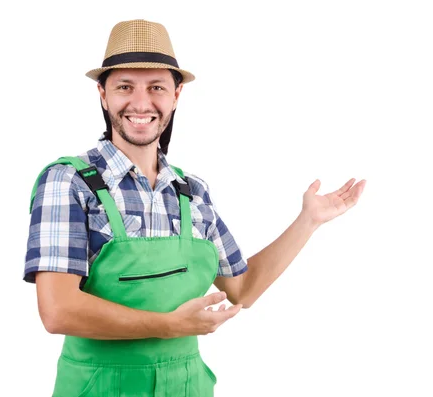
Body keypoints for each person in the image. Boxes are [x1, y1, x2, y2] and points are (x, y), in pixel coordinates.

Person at [23, 19, 366, 397]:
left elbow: (243, 289)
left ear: (176, 95)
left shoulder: (192, 193)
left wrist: (308, 221)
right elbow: (57, 311)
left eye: (156, 87)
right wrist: (169, 325)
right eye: (125, 87)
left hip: (187, 387)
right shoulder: (69, 182)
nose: (141, 103)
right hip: (100, 387)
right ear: (103, 95)